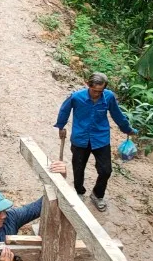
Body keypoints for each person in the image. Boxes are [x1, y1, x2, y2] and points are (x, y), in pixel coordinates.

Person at [55, 72, 137, 212]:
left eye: (100, 91)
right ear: (88, 85)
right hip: (80, 138)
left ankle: (97, 195)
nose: (96, 94)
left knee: (106, 170)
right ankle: (79, 192)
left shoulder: (108, 97)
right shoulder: (76, 97)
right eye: (94, 91)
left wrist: (127, 129)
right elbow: (64, 110)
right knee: (78, 168)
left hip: (101, 138)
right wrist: (61, 126)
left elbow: (117, 115)